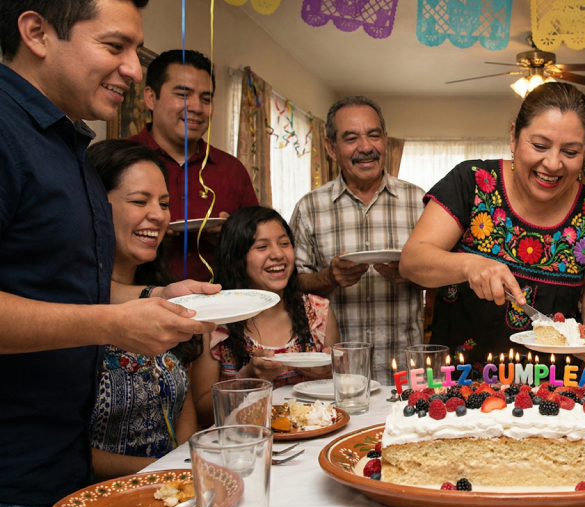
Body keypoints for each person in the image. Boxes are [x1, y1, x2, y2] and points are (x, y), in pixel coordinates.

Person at [0, 0, 216, 507]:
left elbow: (59, 288)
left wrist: (155, 295)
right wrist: (111, 325)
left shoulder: (64, 140)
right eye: (114, 47)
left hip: (60, 471)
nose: (134, 69)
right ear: (36, 32)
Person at [400, 82, 585, 366]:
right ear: (513, 136)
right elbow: (412, 261)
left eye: (570, 152)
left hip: (556, 393)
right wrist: (470, 265)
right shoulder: (471, 182)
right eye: (540, 145)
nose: (553, 163)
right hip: (459, 386)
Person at [86, 140, 199, 480]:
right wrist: (162, 473)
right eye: (139, 201)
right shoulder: (67, 311)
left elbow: (184, 401)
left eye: (164, 203)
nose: (159, 215)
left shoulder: (162, 289)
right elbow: (59, 445)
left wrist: (185, 465)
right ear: (94, 205)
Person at [290, 96, 423, 382]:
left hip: (407, 369)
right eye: (351, 138)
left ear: (385, 141)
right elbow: (292, 284)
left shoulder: (420, 202)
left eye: (374, 135)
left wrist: (411, 272)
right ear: (331, 148)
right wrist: (329, 277)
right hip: (335, 375)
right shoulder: (309, 208)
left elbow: (445, 276)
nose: (366, 147)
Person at [192, 206, 339, 426]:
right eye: (262, 246)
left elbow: (340, 397)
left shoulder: (318, 313)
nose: (278, 254)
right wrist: (249, 379)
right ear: (236, 258)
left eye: (284, 243)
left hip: (311, 441)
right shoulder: (213, 323)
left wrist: (325, 375)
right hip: (244, 445)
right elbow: (202, 414)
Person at [128, 49, 258, 282]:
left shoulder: (232, 170)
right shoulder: (119, 160)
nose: (197, 107)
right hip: (136, 307)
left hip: (219, 308)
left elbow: (259, 243)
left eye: (206, 99)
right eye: (183, 94)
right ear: (150, 97)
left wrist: (231, 237)